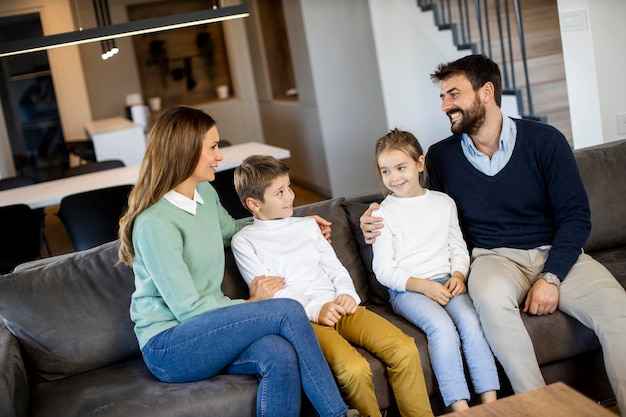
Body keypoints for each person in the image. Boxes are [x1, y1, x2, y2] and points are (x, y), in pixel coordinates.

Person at [360, 54, 626, 416]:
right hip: (493, 259)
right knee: (489, 303)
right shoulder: (441, 157)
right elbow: (415, 203)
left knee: (617, 312)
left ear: (486, 92)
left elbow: (576, 217)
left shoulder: (545, 141)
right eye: (442, 97)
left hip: (560, 255)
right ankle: (543, 410)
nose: (444, 105)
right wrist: (373, 216)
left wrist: (551, 277)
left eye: (453, 94)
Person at [117, 105, 349, 417]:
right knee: (287, 310)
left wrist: (298, 226)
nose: (220, 156)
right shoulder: (155, 223)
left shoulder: (206, 194)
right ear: (185, 151)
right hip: (170, 346)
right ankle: (338, 414)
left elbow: (235, 231)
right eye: (212, 147)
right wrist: (251, 304)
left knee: (279, 353)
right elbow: (187, 308)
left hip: (209, 331)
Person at [230, 155, 434, 417]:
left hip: (341, 305)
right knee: (354, 369)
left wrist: (348, 294)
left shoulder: (307, 226)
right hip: (305, 320)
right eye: (279, 193)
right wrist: (318, 309)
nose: (290, 196)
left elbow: (335, 267)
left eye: (289, 187)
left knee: (405, 349)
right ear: (253, 204)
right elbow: (273, 293)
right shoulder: (245, 241)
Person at [370, 128, 499, 411]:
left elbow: (458, 248)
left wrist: (459, 275)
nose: (394, 177)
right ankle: (460, 408)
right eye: (386, 171)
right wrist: (422, 286)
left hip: (447, 281)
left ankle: (491, 404)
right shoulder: (382, 213)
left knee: (472, 322)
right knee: (442, 330)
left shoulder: (443, 203)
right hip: (408, 291)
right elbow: (383, 269)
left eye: (401, 167)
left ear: (420, 163)